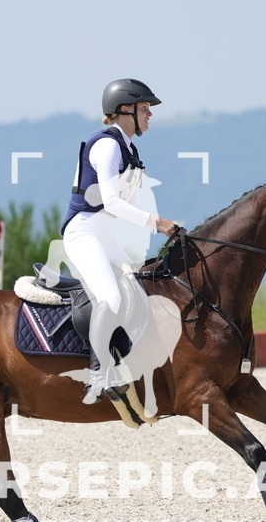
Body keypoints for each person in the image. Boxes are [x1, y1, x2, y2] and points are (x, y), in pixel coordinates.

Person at [61, 78, 180, 404]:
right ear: (124, 111)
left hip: (104, 234)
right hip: (84, 232)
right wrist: (156, 223)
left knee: (136, 291)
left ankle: (125, 362)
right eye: (144, 109)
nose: (149, 115)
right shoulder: (107, 145)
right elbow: (112, 202)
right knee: (111, 298)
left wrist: (168, 226)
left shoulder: (128, 147)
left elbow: (135, 205)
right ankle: (98, 378)